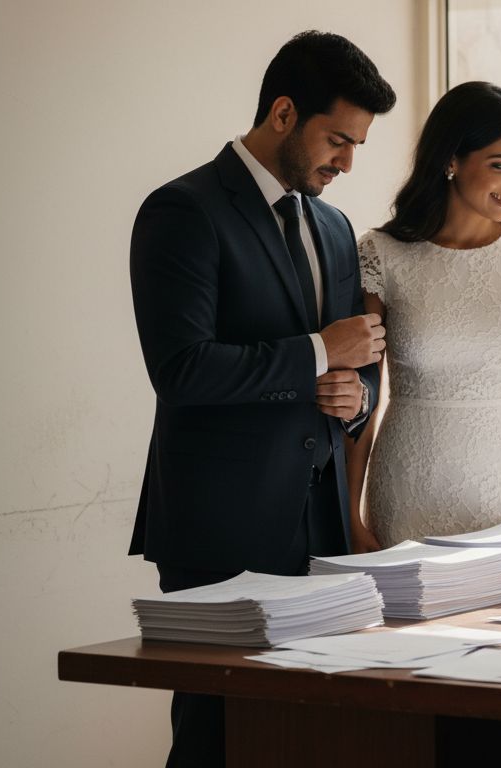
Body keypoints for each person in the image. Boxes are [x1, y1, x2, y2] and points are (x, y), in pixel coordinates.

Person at [128, 31, 395, 766]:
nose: (345, 162)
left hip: (321, 525)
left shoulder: (335, 228)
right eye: (337, 140)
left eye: (357, 147)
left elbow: (357, 359)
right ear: (283, 113)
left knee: (315, 737)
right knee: (218, 739)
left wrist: (355, 399)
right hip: (222, 525)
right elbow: (181, 369)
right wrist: (318, 353)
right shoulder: (182, 210)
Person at [346, 81, 501, 549]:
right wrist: (349, 511)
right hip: (408, 489)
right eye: (500, 165)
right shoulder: (381, 254)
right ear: (451, 160)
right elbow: (362, 399)